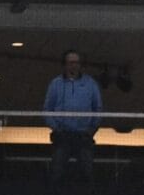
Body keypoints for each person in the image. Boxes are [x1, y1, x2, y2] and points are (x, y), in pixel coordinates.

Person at [43, 50, 102, 183]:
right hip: (62, 135)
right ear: (65, 64)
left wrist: (92, 129)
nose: (73, 65)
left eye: (76, 62)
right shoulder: (55, 84)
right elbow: (47, 109)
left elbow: (97, 109)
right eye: (70, 62)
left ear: (80, 65)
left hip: (83, 135)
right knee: (56, 172)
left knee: (88, 172)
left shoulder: (90, 84)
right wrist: (56, 128)